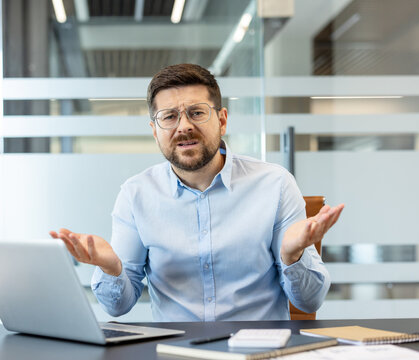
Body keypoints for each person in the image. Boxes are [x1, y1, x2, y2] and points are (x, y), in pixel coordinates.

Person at [50, 63, 344, 322]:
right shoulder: (136, 194)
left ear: (222, 120)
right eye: (169, 117)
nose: (184, 127)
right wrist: (112, 268)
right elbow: (118, 307)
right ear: (155, 131)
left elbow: (309, 301)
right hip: (176, 351)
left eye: (197, 113)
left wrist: (292, 256)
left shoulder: (275, 184)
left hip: (257, 352)